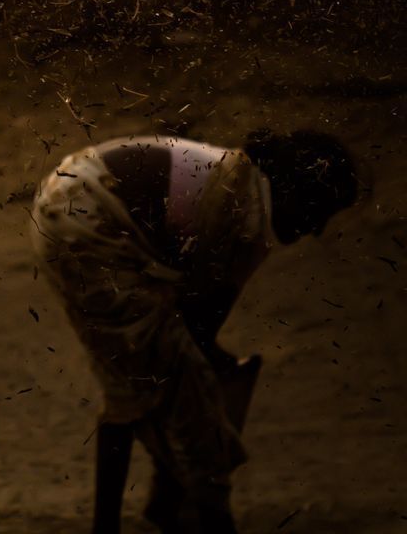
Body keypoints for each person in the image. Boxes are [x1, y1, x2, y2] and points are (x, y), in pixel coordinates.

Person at [30, 128, 358, 534]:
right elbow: (200, 327)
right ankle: (204, 517)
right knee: (178, 396)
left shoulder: (245, 187)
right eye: (322, 212)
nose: (317, 230)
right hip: (90, 222)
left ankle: (138, 517)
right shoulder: (247, 211)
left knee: (136, 385)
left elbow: (197, 324)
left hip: (69, 206)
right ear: (301, 192)